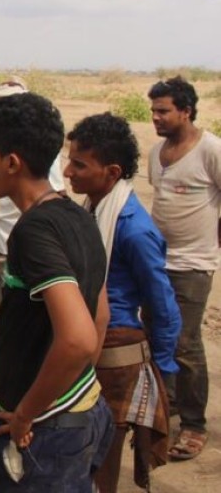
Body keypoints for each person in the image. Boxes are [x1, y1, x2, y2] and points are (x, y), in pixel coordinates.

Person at [0, 92, 113, 492]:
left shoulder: (33, 232)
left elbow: (79, 338)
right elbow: (99, 315)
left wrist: (26, 414)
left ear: (12, 162)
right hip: (81, 412)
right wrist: (76, 387)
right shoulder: (79, 214)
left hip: (43, 433)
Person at [65, 113, 181, 492]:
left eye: (80, 164)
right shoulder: (93, 209)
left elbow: (162, 305)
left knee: (103, 453)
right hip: (89, 339)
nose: (68, 171)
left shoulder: (133, 227)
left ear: (112, 172)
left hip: (116, 352)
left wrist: (162, 366)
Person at [0, 79, 66, 388]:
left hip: (25, 241)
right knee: (6, 313)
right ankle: (3, 368)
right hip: (7, 238)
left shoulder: (43, 228)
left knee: (31, 317)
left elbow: (79, 337)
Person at [147, 76, 221, 461]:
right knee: (157, 334)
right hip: (158, 262)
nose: (156, 117)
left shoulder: (210, 150)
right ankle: (168, 403)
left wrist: (213, 245)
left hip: (193, 265)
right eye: (153, 110)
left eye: (163, 111)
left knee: (185, 343)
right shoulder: (156, 153)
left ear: (186, 111)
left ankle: (193, 426)